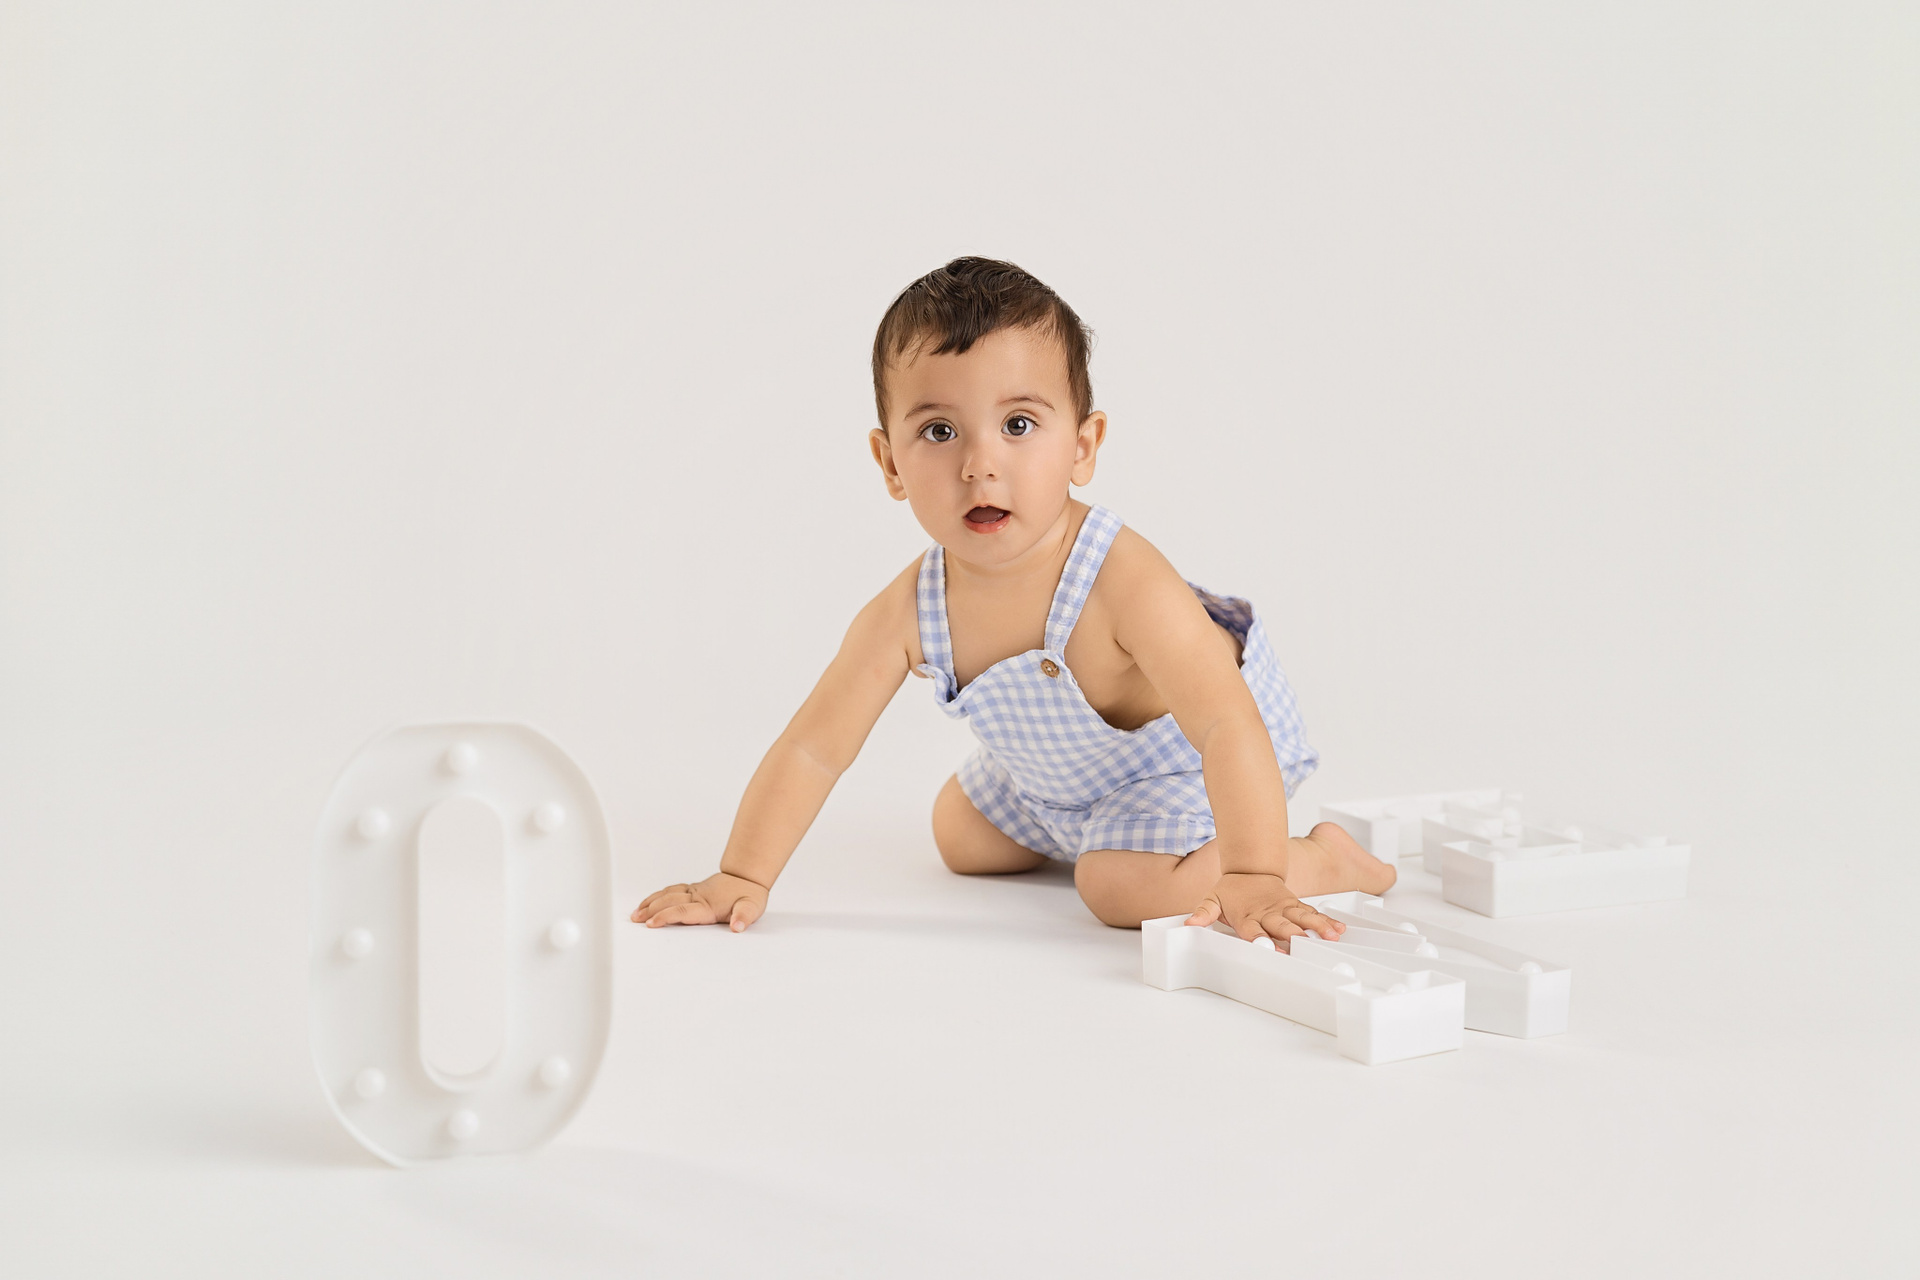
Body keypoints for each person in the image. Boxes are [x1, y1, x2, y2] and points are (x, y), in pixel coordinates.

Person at [632, 257, 1395, 945]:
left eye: (1018, 425)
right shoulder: (909, 610)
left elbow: (1227, 723)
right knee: (959, 833)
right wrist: (741, 874)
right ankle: (1096, 830)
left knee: (1113, 887)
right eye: (939, 431)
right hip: (1061, 779)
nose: (979, 464)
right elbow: (813, 747)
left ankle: (1319, 860)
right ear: (890, 463)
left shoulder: (1121, 578)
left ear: (1082, 447)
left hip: (1194, 761)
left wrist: (1254, 873)